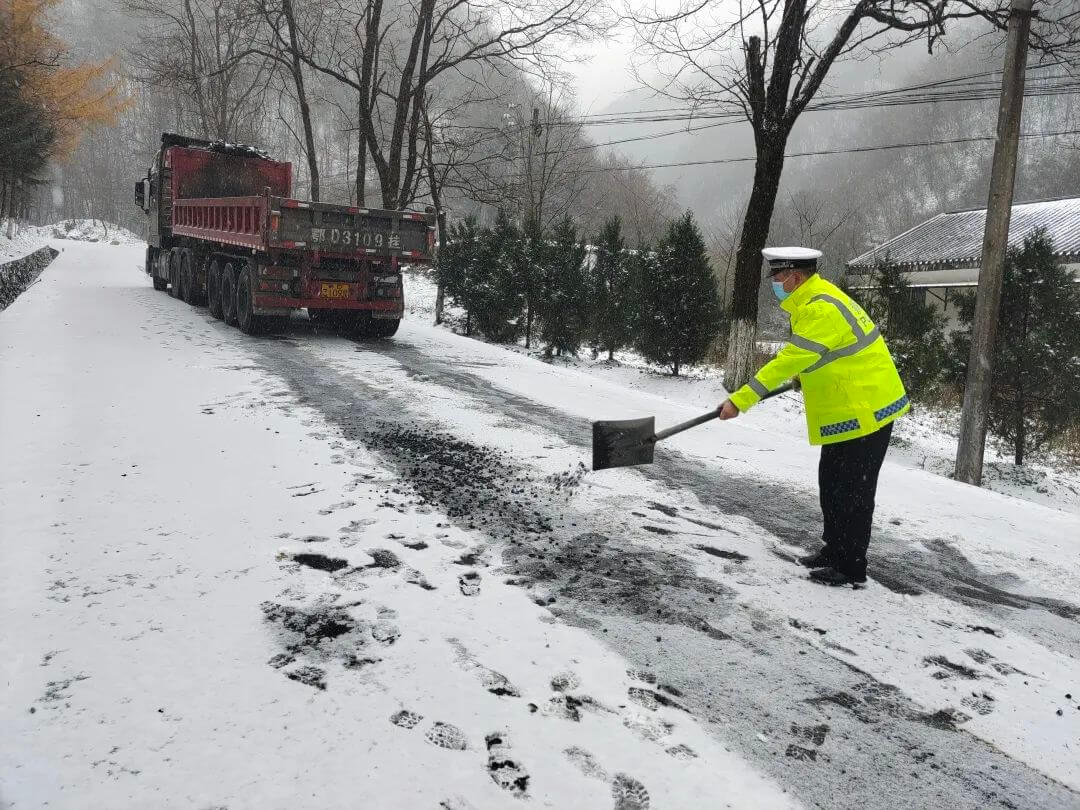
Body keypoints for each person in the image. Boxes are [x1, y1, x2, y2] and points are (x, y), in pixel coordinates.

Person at [718, 247, 910, 588]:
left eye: (778, 276)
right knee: (832, 483)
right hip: (848, 406)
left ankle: (851, 567)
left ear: (796, 275)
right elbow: (822, 353)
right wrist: (803, 375)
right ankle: (834, 550)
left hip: (867, 408)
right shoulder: (810, 302)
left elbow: (789, 358)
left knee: (853, 491)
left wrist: (740, 400)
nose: (775, 282)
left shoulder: (820, 307)